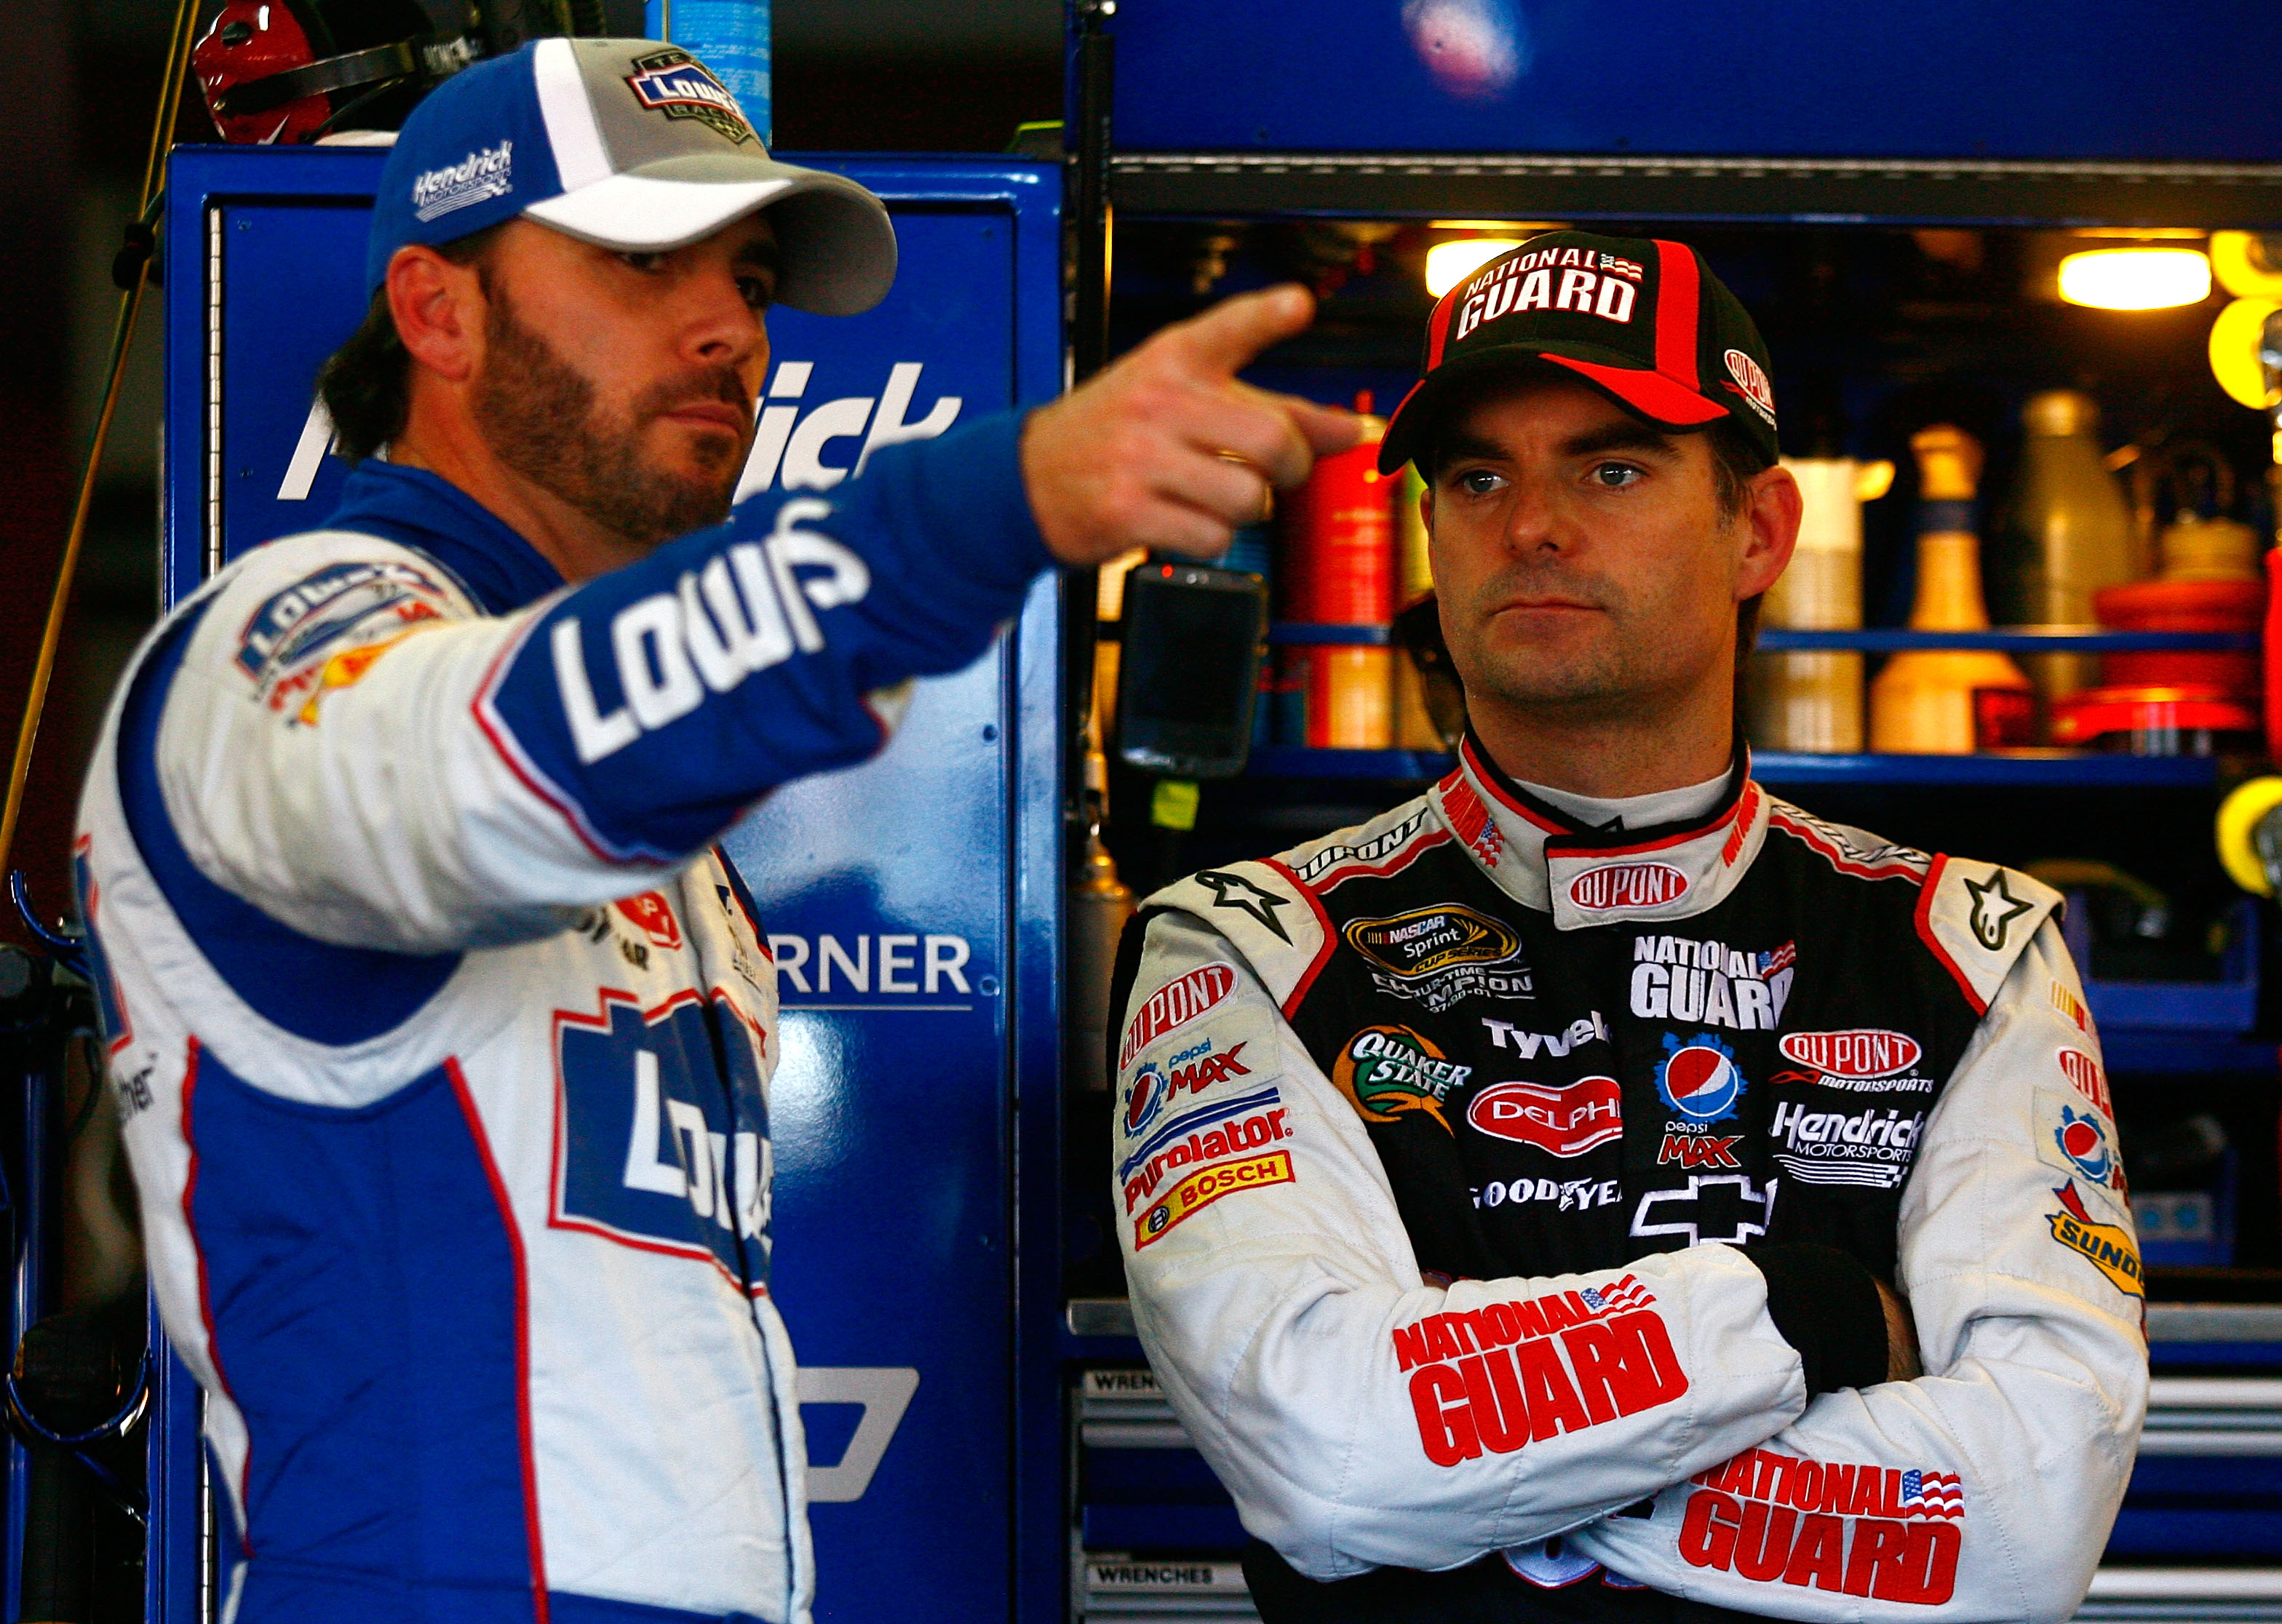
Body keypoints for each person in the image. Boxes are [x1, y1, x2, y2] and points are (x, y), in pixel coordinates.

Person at [75, 36, 1353, 1624]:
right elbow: (495, 759)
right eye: (637, 260)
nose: (725, 331)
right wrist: (985, 507)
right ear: (436, 309)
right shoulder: (272, 647)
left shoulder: (654, 807)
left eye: (746, 276)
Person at [1109, 230, 2146, 1624]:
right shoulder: (1246, 949)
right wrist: (1809, 1316)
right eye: (1478, 476)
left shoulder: (1972, 945)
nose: (1530, 523)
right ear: (1430, 535)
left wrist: (1486, 1471)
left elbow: (2026, 1525)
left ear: (1760, 534)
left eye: (1612, 466)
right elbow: (1332, 1459)